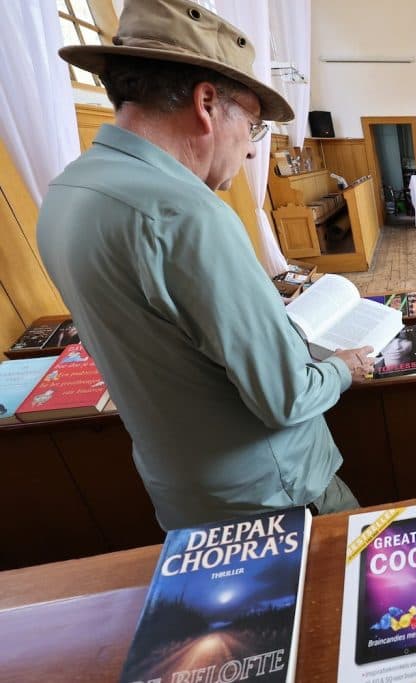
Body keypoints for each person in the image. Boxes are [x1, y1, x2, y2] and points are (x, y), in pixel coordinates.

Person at [36, 0, 372, 530]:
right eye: (255, 127)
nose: (251, 153)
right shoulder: (186, 213)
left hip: (186, 492)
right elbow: (285, 397)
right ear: (206, 103)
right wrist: (342, 367)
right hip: (273, 495)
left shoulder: (67, 191)